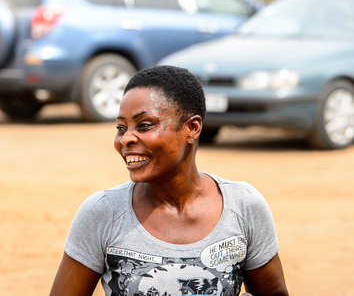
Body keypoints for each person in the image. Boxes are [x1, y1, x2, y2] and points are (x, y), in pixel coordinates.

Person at [49, 65, 288, 296]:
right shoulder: (103, 213)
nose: (125, 139)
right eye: (121, 127)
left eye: (144, 125)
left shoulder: (243, 206)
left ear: (192, 128)